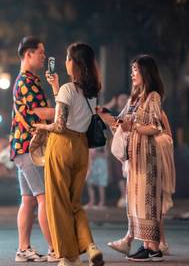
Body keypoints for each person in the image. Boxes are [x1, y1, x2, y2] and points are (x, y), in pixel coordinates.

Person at [33, 43, 110, 266]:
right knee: (74, 203)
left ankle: (68, 256)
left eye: (67, 58)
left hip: (62, 145)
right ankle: (91, 246)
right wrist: (56, 87)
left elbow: (59, 125)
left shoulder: (69, 89)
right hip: (81, 148)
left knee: (57, 203)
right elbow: (72, 112)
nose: (65, 62)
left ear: (74, 63)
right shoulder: (92, 91)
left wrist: (41, 127)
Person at [105, 55, 169, 262]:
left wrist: (133, 126)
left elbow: (155, 127)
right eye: (131, 69)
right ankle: (145, 244)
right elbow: (121, 121)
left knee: (147, 200)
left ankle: (153, 248)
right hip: (134, 157)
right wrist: (109, 119)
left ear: (146, 72)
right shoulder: (134, 98)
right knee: (135, 200)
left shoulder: (153, 97)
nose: (132, 74)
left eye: (136, 70)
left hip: (148, 157)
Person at [9, 36, 57, 263]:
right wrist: (66, 110)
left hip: (22, 146)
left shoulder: (27, 79)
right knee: (44, 198)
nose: (44, 56)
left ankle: (23, 249)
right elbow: (41, 112)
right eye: (41, 52)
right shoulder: (27, 81)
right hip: (30, 148)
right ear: (28, 54)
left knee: (28, 199)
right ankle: (55, 248)